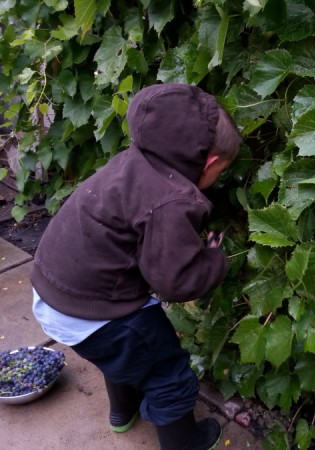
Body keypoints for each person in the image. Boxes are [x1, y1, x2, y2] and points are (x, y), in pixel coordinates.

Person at [30, 83, 242, 450]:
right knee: (167, 374)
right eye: (220, 171)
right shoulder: (171, 200)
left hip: (54, 291)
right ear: (209, 162)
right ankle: (186, 443)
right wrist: (212, 259)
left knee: (126, 354)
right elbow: (175, 281)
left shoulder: (134, 161)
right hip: (95, 310)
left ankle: (122, 413)